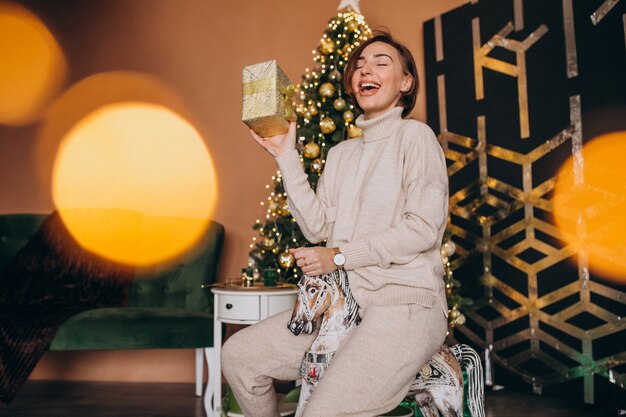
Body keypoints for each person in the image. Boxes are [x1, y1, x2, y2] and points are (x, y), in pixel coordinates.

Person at [222, 31, 449, 417]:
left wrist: (340, 257)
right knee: (239, 356)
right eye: (359, 65)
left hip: (405, 306)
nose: (366, 70)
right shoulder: (341, 154)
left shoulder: (416, 138)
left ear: (406, 82)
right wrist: (286, 156)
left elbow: (423, 228)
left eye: (381, 62)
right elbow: (316, 228)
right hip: (343, 309)